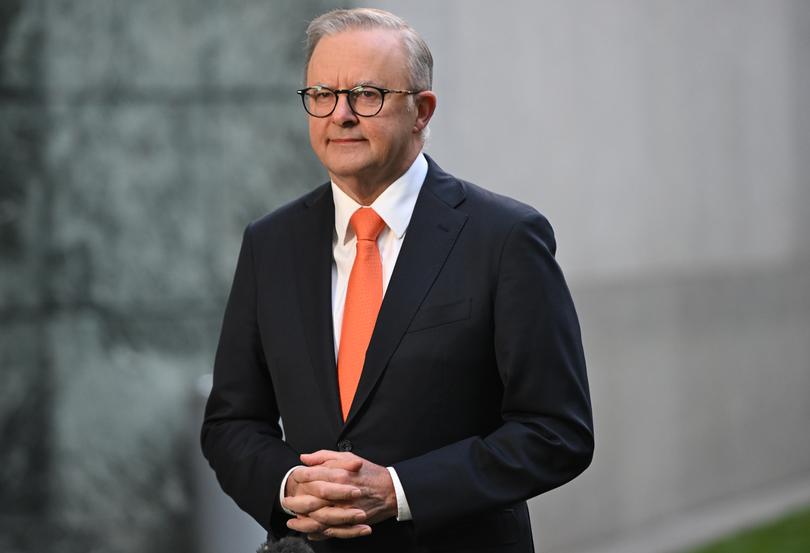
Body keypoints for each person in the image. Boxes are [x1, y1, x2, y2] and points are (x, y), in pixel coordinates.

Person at [201, 8, 593, 553]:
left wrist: (400, 491)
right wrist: (290, 486)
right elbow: (231, 422)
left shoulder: (504, 238)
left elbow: (556, 431)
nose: (341, 115)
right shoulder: (271, 242)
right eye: (321, 94)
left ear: (421, 111)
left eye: (366, 94)